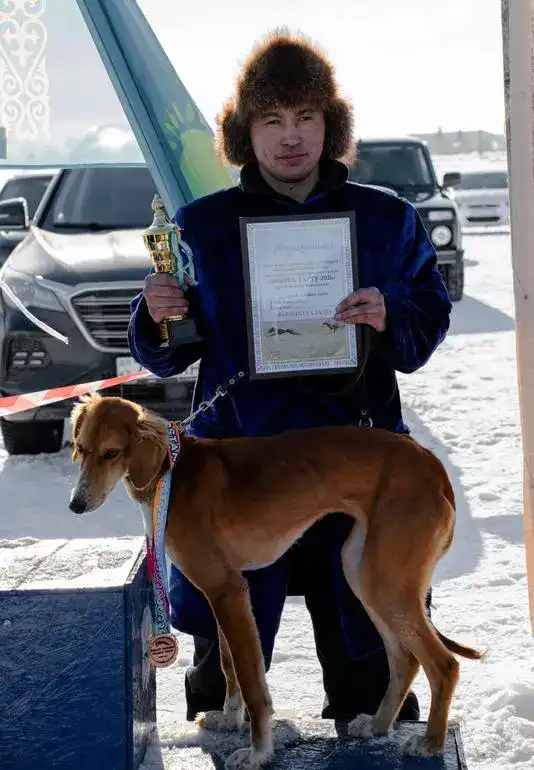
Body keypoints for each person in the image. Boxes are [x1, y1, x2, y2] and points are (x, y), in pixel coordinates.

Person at [128, 29, 452, 723]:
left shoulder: (387, 219)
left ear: (330, 126)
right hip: (239, 472)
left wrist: (390, 314)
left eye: (306, 117)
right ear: (246, 131)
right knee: (224, 682)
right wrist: (156, 313)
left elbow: (425, 327)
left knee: (370, 664)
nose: (291, 137)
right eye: (272, 120)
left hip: (354, 461)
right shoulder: (202, 226)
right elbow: (167, 354)